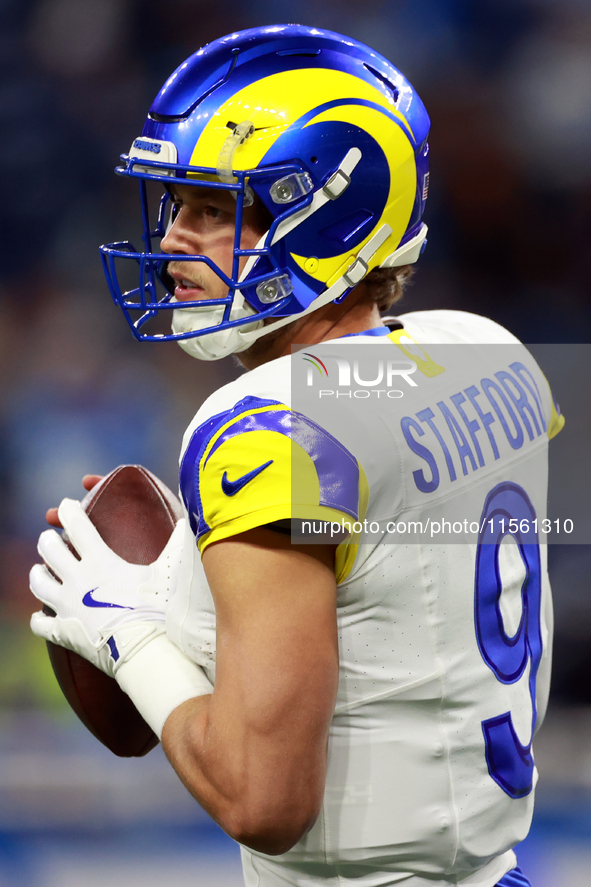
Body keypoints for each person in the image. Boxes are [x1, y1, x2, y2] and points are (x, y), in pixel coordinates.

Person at [29, 24, 562, 887]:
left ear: (330, 215)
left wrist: (129, 634)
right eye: (174, 205)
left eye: (214, 207)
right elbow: (394, 614)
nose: (172, 241)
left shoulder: (264, 425)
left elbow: (266, 801)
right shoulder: (490, 350)